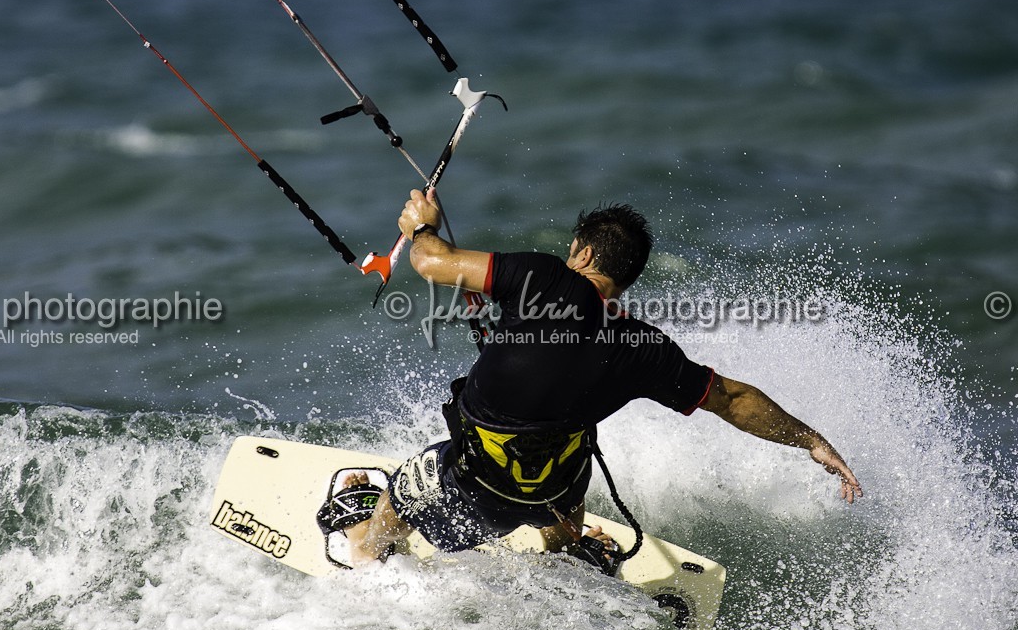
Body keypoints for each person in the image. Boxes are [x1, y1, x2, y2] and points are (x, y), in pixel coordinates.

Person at [332, 190, 862, 567]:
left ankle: (363, 544)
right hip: (544, 493)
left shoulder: (545, 277)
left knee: (403, 496)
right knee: (570, 444)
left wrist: (419, 225)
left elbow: (430, 262)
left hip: (474, 482)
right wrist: (810, 441)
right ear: (626, 279)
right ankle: (560, 551)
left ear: (582, 253)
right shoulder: (644, 349)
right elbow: (733, 399)